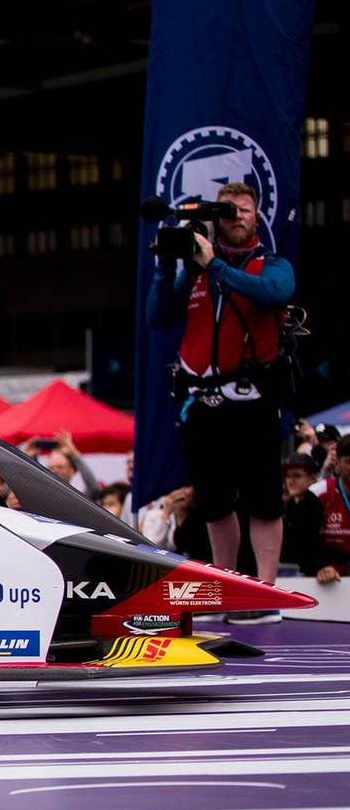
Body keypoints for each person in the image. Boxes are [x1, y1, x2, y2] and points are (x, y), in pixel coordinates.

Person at [146, 180, 295, 615]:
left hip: (252, 400)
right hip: (202, 403)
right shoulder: (196, 271)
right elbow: (159, 316)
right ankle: (226, 586)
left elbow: (274, 294)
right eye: (227, 209)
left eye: (244, 210)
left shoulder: (271, 264)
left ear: (255, 217)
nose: (235, 216)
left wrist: (214, 266)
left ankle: (266, 592)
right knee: (213, 501)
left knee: (263, 498)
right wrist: (166, 266)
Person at [280, 452, 325, 576]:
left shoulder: (312, 504)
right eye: (288, 476)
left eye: (297, 476)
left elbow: (305, 546)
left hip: (307, 573)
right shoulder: (290, 504)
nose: (290, 481)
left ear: (312, 478)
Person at [317, 444, 350, 588]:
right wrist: (321, 566)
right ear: (337, 463)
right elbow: (304, 543)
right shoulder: (319, 493)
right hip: (330, 578)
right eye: (349, 462)